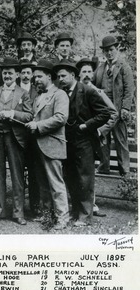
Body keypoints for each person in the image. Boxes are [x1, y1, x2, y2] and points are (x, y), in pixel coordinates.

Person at [54, 59, 111, 226]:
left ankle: (85, 216)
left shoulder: (87, 91)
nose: (61, 79)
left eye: (63, 76)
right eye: (58, 76)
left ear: (73, 75)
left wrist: (86, 125)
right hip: (68, 141)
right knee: (71, 176)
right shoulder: (62, 93)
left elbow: (105, 114)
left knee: (85, 177)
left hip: (84, 140)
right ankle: (75, 212)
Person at [0, 57, 33, 225]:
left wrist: (12, 113)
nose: (7, 76)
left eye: (10, 73)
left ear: (17, 74)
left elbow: (29, 116)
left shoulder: (24, 94)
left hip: (14, 136)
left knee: (17, 175)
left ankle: (18, 213)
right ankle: (0, 210)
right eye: (5, 73)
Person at [25, 59, 69, 230]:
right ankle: (48, 215)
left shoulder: (60, 95)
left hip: (52, 145)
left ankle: (62, 218)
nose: (35, 80)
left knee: (56, 184)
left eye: (39, 77)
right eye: (34, 77)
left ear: (49, 77)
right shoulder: (37, 97)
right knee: (43, 184)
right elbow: (34, 117)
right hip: (38, 145)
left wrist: (38, 125)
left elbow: (61, 118)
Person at [77, 57, 119, 217]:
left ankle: (91, 205)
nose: (87, 75)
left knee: (89, 172)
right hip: (77, 137)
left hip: (93, 138)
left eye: (89, 71)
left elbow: (113, 113)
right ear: (79, 74)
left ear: (93, 74)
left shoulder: (98, 92)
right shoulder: (74, 92)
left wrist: (100, 130)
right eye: (84, 72)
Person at [93, 36, 135, 176]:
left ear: (116, 49)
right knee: (103, 138)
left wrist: (125, 108)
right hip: (104, 110)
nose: (109, 53)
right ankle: (104, 167)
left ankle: (125, 170)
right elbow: (94, 87)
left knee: (121, 140)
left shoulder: (124, 66)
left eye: (111, 50)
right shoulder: (100, 68)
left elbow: (130, 89)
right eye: (106, 51)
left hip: (118, 109)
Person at [19, 60, 40, 218]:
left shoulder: (38, 90)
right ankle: (18, 208)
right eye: (23, 73)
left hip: (33, 138)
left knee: (34, 173)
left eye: (28, 73)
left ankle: (35, 207)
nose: (26, 76)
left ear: (32, 75)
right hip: (18, 137)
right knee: (18, 172)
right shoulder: (15, 90)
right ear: (19, 74)